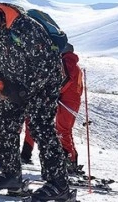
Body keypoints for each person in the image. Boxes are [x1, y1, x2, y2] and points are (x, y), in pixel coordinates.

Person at [0, 3, 72, 201]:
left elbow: (47, 64)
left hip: (43, 84)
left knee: (41, 128)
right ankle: (11, 175)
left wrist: (25, 90)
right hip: (12, 86)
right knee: (5, 127)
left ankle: (59, 184)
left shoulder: (25, 28)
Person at [21, 43, 84, 175]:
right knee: (64, 130)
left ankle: (69, 160)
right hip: (72, 100)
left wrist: (55, 92)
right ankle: (71, 158)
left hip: (67, 101)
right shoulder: (74, 63)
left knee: (62, 130)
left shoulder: (67, 60)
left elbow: (66, 79)